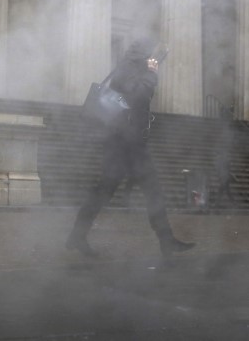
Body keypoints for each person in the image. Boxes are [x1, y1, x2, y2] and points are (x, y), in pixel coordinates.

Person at [66, 38, 194, 260]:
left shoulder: (133, 67)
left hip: (129, 142)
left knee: (147, 191)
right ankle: (77, 235)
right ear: (142, 52)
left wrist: (150, 73)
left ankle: (166, 240)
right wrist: (152, 74)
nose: (152, 58)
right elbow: (138, 96)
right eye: (150, 54)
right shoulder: (128, 69)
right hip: (122, 143)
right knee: (107, 192)